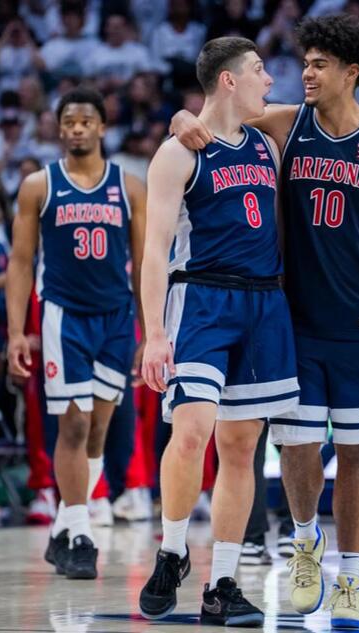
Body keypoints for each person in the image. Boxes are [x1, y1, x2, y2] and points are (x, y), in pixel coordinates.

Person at [171, 15, 359, 630]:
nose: (306, 73)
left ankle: (350, 579)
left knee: (358, 454)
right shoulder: (288, 124)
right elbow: (218, 116)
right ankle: (305, 539)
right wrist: (182, 120)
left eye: (319, 64)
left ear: (352, 72)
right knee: (296, 445)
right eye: (305, 62)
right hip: (294, 319)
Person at [138, 36, 298, 627]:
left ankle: (223, 584)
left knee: (240, 447)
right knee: (191, 432)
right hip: (200, 298)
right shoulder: (177, 154)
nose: (270, 80)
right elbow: (154, 250)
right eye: (259, 70)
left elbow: (318, 109)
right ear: (229, 80)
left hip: (263, 302)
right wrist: (155, 334)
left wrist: (183, 112)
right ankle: (171, 551)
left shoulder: (266, 141)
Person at [6, 87, 146, 581]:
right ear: (58, 129)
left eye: (86, 121)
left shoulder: (130, 187)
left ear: (102, 128)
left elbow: (144, 265)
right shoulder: (38, 185)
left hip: (116, 318)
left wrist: (149, 332)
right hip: (64, 317)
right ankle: (82, 533)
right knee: (74, 426)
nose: (78, 128)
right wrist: (17, 331)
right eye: (69, 121)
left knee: (99, 430)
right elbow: (20, 262)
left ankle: (63, 528)